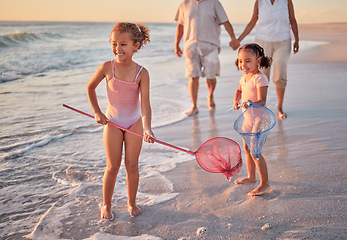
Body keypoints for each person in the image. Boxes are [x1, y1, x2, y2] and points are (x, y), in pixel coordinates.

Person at [86, 22, 155, 220]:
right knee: (112, 166)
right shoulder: (107, 67)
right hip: (113, 122)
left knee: (132, 165)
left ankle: (131, 202)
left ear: (136, 45)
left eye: (123, 44)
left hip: (134, 122)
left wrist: (148, 129)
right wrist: (97, 112)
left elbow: (145, 104)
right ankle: (106, 204)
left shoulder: (142, 73)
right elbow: (90, 88)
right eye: (114, 43)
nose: (118, 48)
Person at [175, 0, 240, 116]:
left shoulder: (214, 3)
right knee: (193, 76)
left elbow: (226, 21)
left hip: (211, 45)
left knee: (210, 77)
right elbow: (180, 25)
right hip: (191, 46)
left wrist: (233, 38)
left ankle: (210, 95)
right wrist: (176, 44)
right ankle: (194, 106)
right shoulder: (184, 4)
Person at [237, 0, 299, 119]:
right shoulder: (259, 2)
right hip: (262, 42)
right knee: (261, 76)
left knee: (280, 75)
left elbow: (292, 20)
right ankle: (260, 108)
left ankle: (279, 107)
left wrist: (297, 40)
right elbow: (252, 22)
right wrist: (238, 40)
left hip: (283, 41)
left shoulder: (286, 1)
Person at [233, 43, 272, 196]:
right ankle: (251, 176)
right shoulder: (244, 77)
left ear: (258, 60)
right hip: (247, 119)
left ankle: (265, 184)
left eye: (248, 61)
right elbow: (239, 90)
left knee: (255, 151)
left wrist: (250, 103)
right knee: (247, 149)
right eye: (241, 61)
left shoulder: (260, 78)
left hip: (259, 120)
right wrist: (236, 101)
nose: (243, 64)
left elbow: (262, 100)